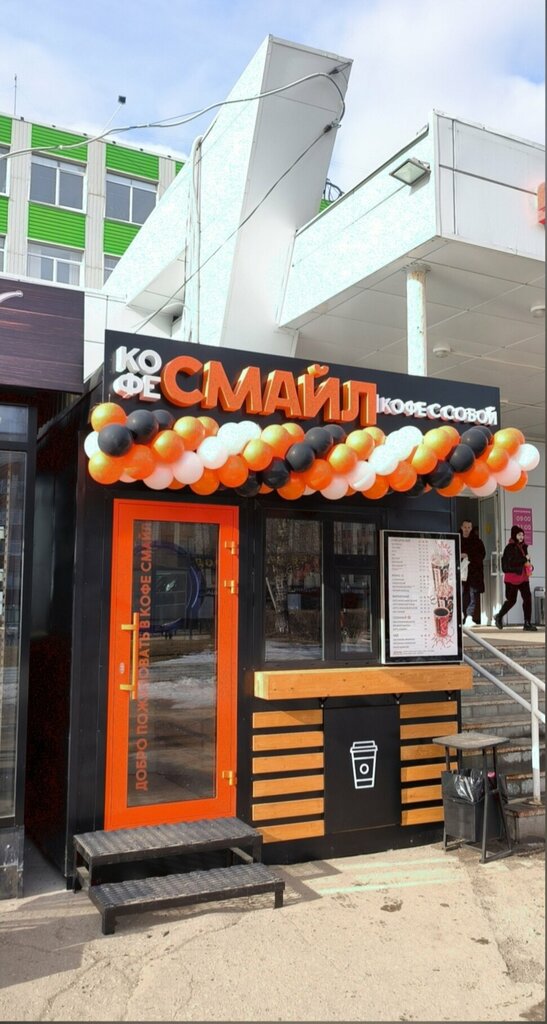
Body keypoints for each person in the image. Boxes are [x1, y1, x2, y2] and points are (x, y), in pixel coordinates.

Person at [495, 526, 537, 632]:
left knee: (527, 599)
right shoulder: (509, 548)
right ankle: (499, 616)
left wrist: (530, 566)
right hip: (512, 579)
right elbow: (511, 563)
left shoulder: (524, 547)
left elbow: (526, 561)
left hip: (523, 577)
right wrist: (524, 559)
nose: (521, 537)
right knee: (511, 601)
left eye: (522, 535)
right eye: (519, 535)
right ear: (514, 535)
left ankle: (527, 623)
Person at [459, 520, 485, 627]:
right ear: (461, 527)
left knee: (472, 594)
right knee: (460, 594)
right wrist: (460, 555)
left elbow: (482, 555)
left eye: (469, 527)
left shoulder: (477, 541)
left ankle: (469, 617)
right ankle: (460, 614)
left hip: (474, 573)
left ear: (471, 528)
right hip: (460, 572)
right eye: (465, 527)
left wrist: (468, 555)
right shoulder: (457, 539)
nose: (467, 529)